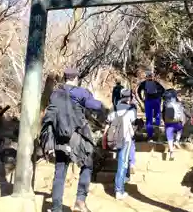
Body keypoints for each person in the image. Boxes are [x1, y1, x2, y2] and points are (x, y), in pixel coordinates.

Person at [40, 67, 105, 212]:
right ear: (76, 78)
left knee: (60, 171)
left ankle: (56, 208)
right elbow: (95, 105)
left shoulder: (55, 94)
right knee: (87, 164)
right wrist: (100, 104)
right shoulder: (81, 92)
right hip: (77, 137)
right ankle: (80, 201)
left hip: (59, 138)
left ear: (64, 78)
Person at [102, 88, 137, 200]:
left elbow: (108, 122)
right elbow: (134, 122)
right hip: (125, 139)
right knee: (123, 164)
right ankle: (119, 190)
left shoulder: (114, 108)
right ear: (129, 98)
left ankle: (121, 182)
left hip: (114, 139)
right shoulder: (131, 109)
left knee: (120, 161)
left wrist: (104, 137)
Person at [162, 88, 193, 161]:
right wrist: (191, 117)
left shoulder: (165, 103)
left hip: (168, 123)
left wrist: (165, 122)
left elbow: (163, 113)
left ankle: (171, 151)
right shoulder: (179, 103)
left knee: (169, 136)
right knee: (180, 129)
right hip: (177, 123)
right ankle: (177, 141)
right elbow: (185, 111)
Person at [137, 71, 165, 141]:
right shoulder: (156, 83)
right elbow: (163, 91)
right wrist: (160, 98)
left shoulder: (143, 83)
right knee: (157, 116)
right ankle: (158, 132)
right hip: (156, 101)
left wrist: (141, 98)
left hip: (148, 101)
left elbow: (138, 91)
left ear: (146, 77)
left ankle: (150, 136)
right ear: (152, 76)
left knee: (149, 119)